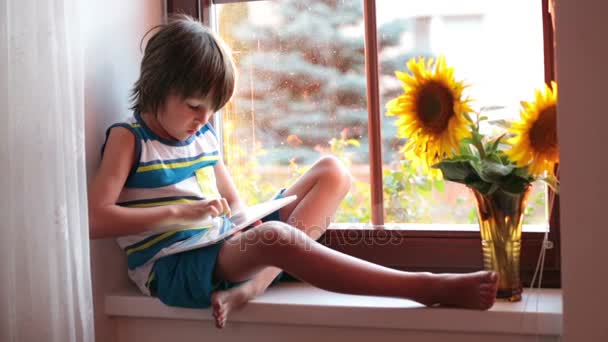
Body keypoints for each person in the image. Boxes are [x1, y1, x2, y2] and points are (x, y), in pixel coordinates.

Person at [88, 14, 498, 329]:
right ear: (158, 85)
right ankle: (424, 287)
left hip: (217, 244)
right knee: (276, 237)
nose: (203, 118)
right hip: (174, 266)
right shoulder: (130, 139)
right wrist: (178, 214)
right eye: (195, 106)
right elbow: (95, 218)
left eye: (212, 110)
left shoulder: (203, 134)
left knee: (333, 172)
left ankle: (255, 284)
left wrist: (242, 223)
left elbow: (233, 203)